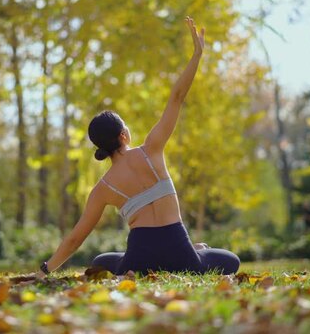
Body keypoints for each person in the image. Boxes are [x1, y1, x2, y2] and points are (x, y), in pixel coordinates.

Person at [34, 16, 240, 278]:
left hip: (139, 260)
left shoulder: (102, 189)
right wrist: (196, 56)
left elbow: (76, 238)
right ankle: (195, 250)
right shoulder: (152, 149)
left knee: (102, 259)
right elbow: (177, 97)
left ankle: (183, 251)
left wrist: (44, 271)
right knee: (230, 260)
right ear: (124, 135)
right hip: (181, 255)